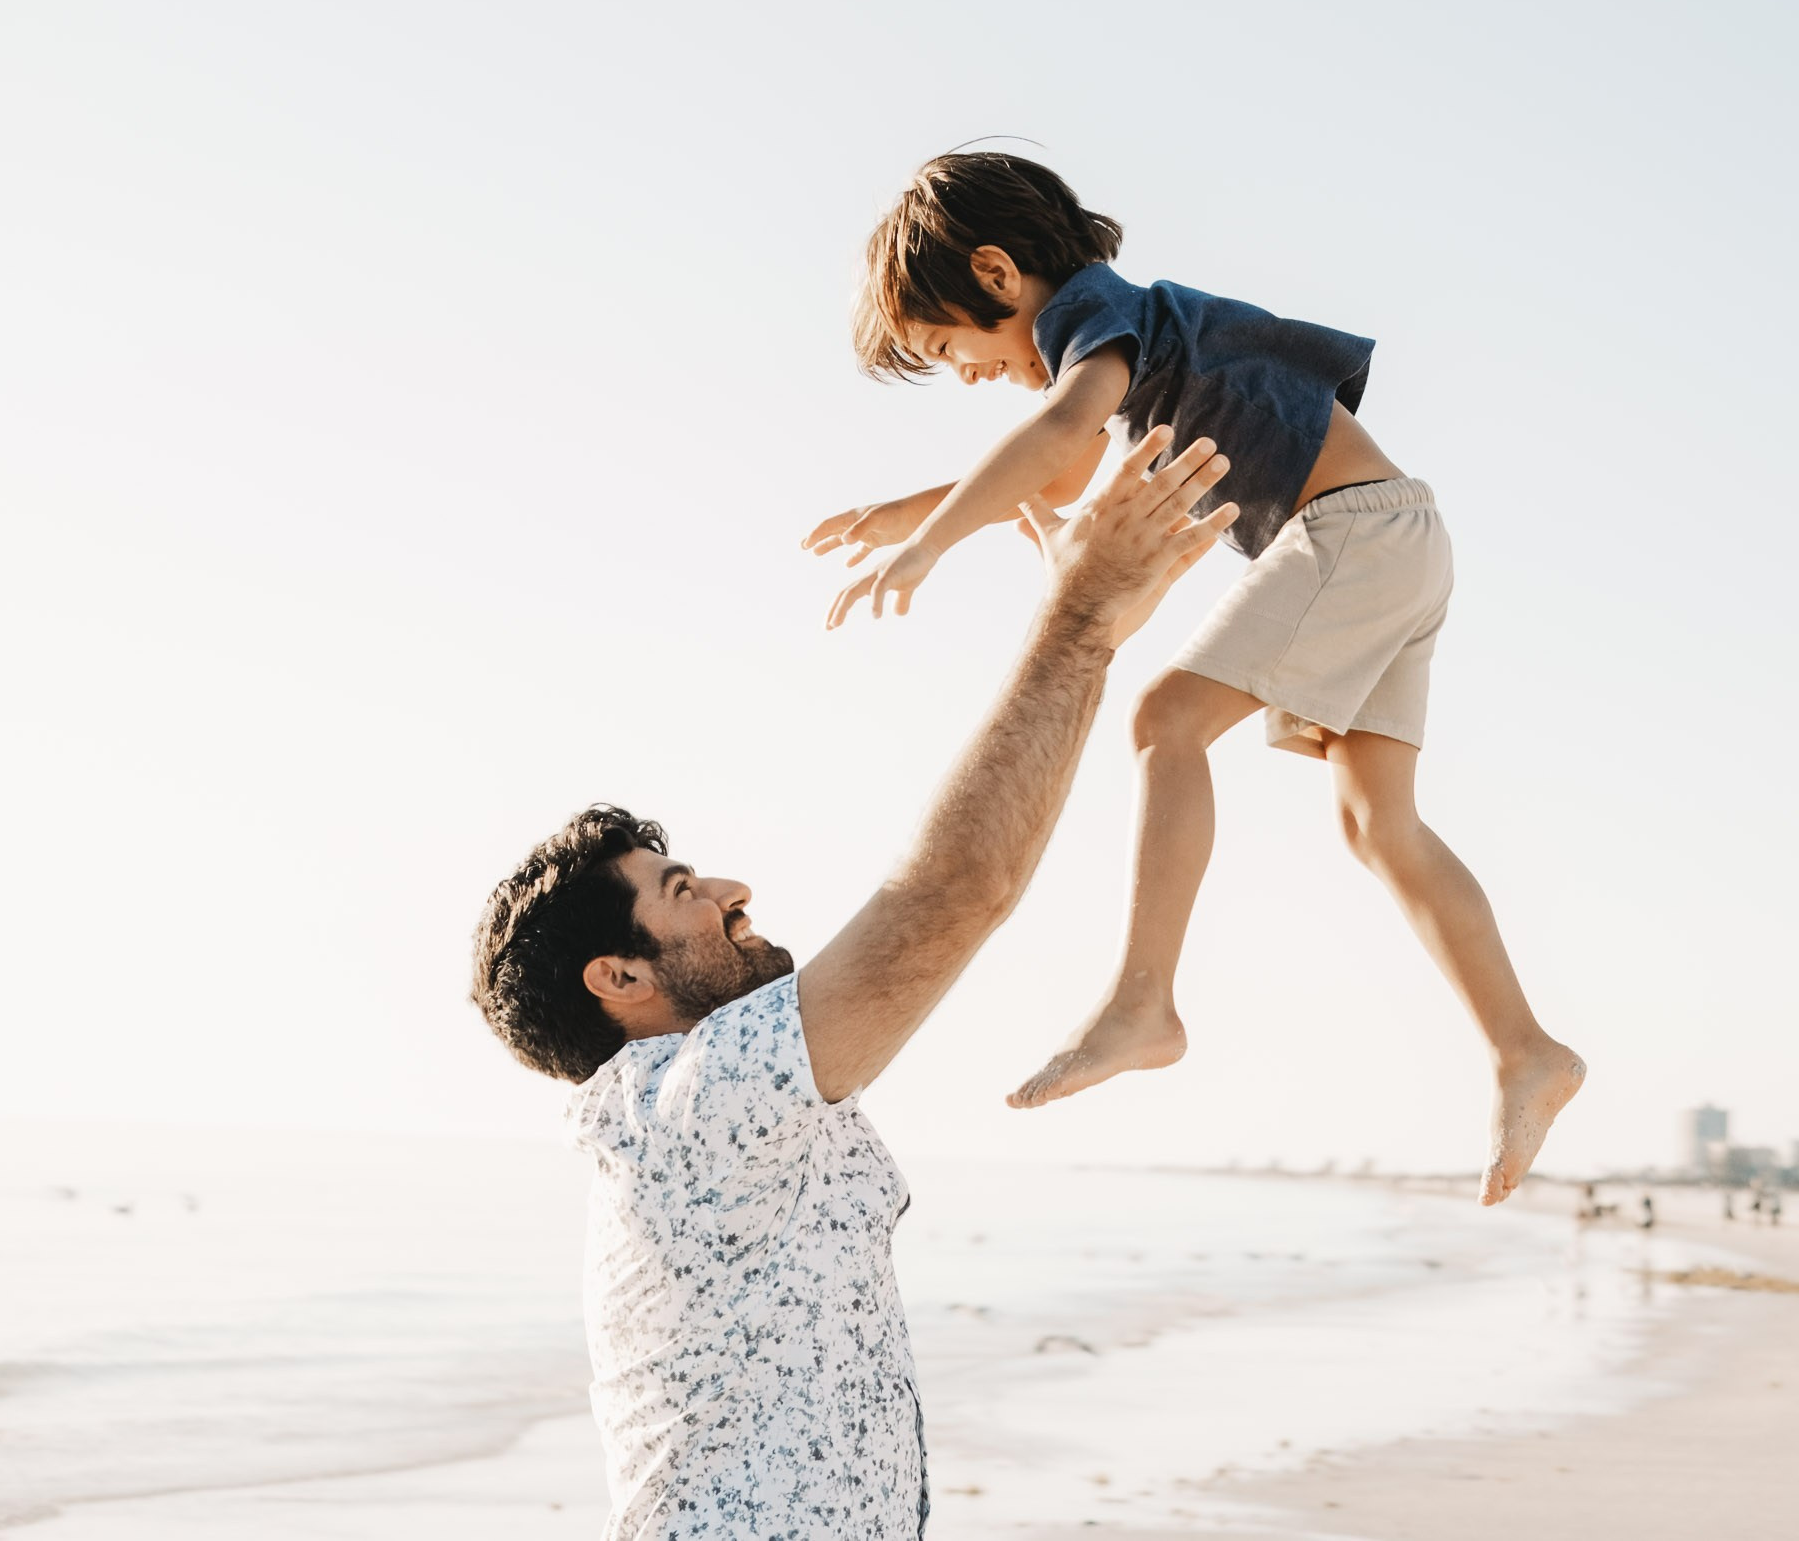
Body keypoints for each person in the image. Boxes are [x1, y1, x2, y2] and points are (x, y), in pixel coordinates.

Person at [472, 432, 1233, 1539]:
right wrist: (1081, 619)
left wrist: (1098, 628)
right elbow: (954, 891)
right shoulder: (685, 1111)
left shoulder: (721, 1102)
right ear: (619, 975)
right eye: (682, 889)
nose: (733, 886)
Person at [805, 150, 1583, 1207]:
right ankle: (1523, 1049)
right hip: (1401, 535)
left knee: (1166, 719)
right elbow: (1068, 472)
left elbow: (1057, 437)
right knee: (1375, 826)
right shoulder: (1122, 340)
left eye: (952, 350)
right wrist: (913, 512)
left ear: (996, 275)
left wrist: (930, 543)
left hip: (1348, 536)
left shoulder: (1089, 315)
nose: (968, 377)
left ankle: (1143, 1003)